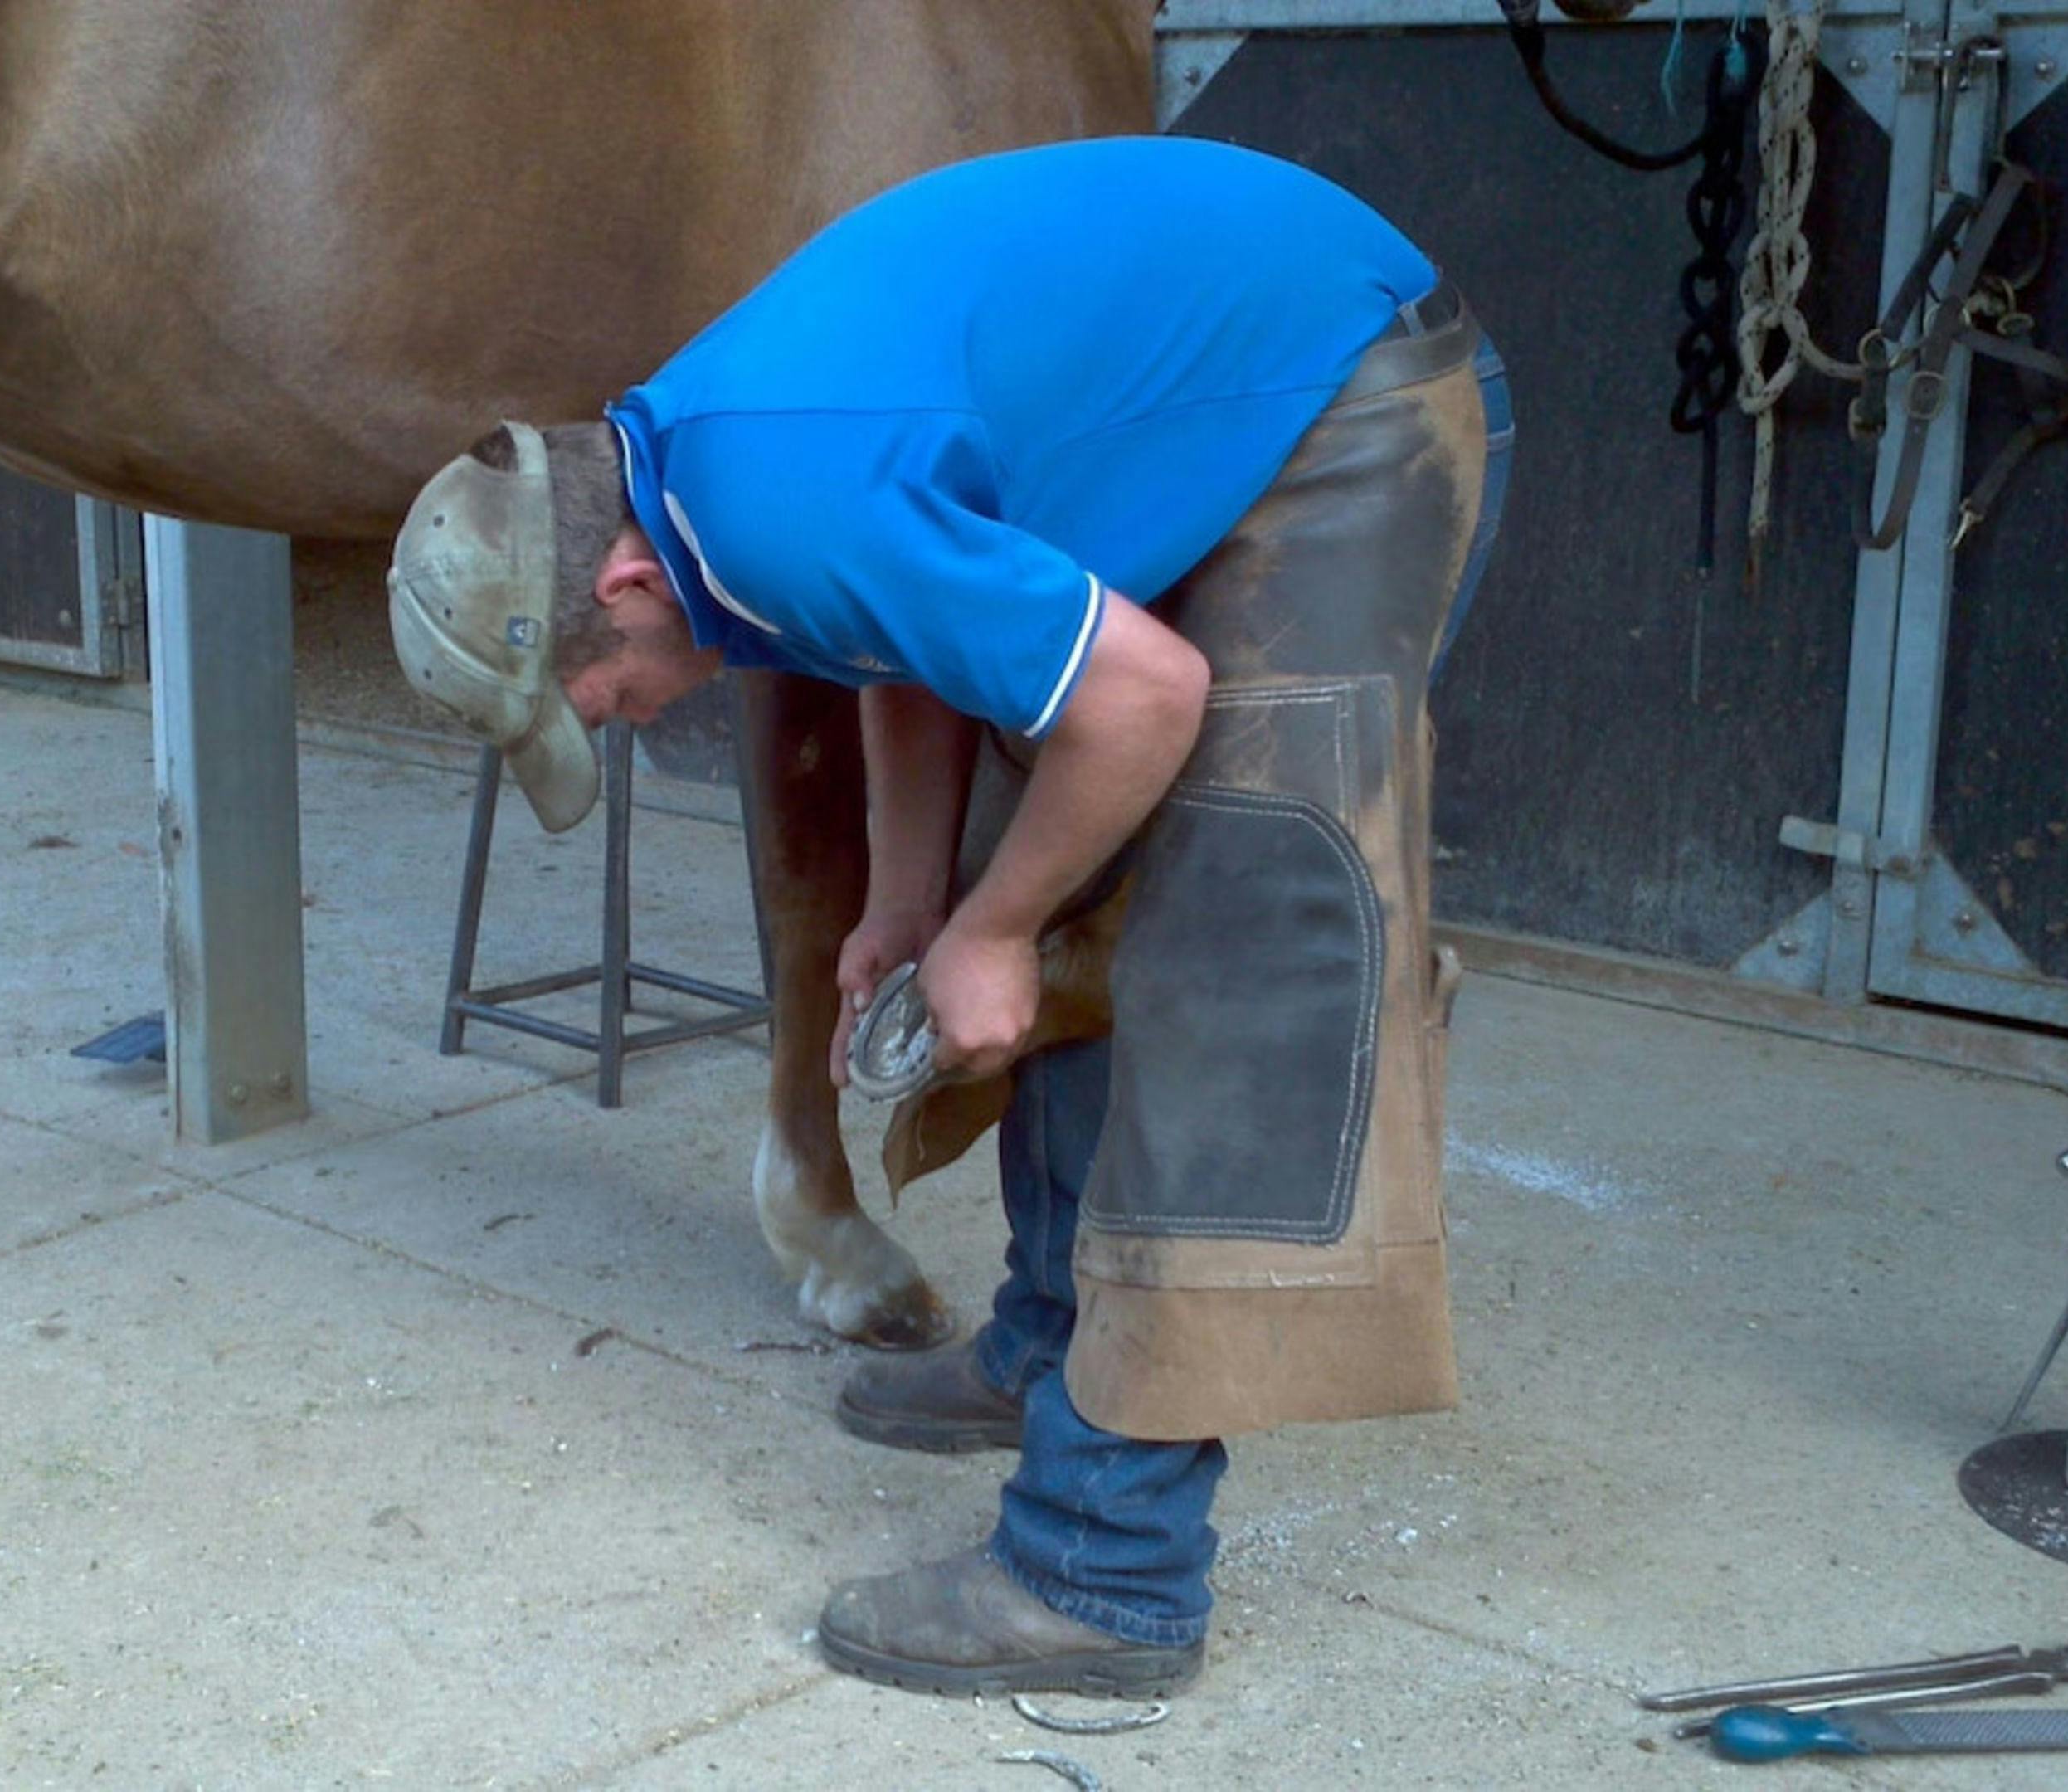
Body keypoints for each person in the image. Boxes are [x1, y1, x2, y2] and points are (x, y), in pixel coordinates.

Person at [387, 135, 1511, 1697]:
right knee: (1039, 885)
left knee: (1204, 949)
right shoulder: (698, 481)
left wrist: (992, 933)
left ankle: (1108, 1573)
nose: (622, 723)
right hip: (1237, 365)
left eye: (597, 697)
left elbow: (1142, 694)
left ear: (626, 578)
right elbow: (900, 642)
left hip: (1339, 407)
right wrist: (920, 904)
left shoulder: (773, 494)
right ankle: (1051, 1351)